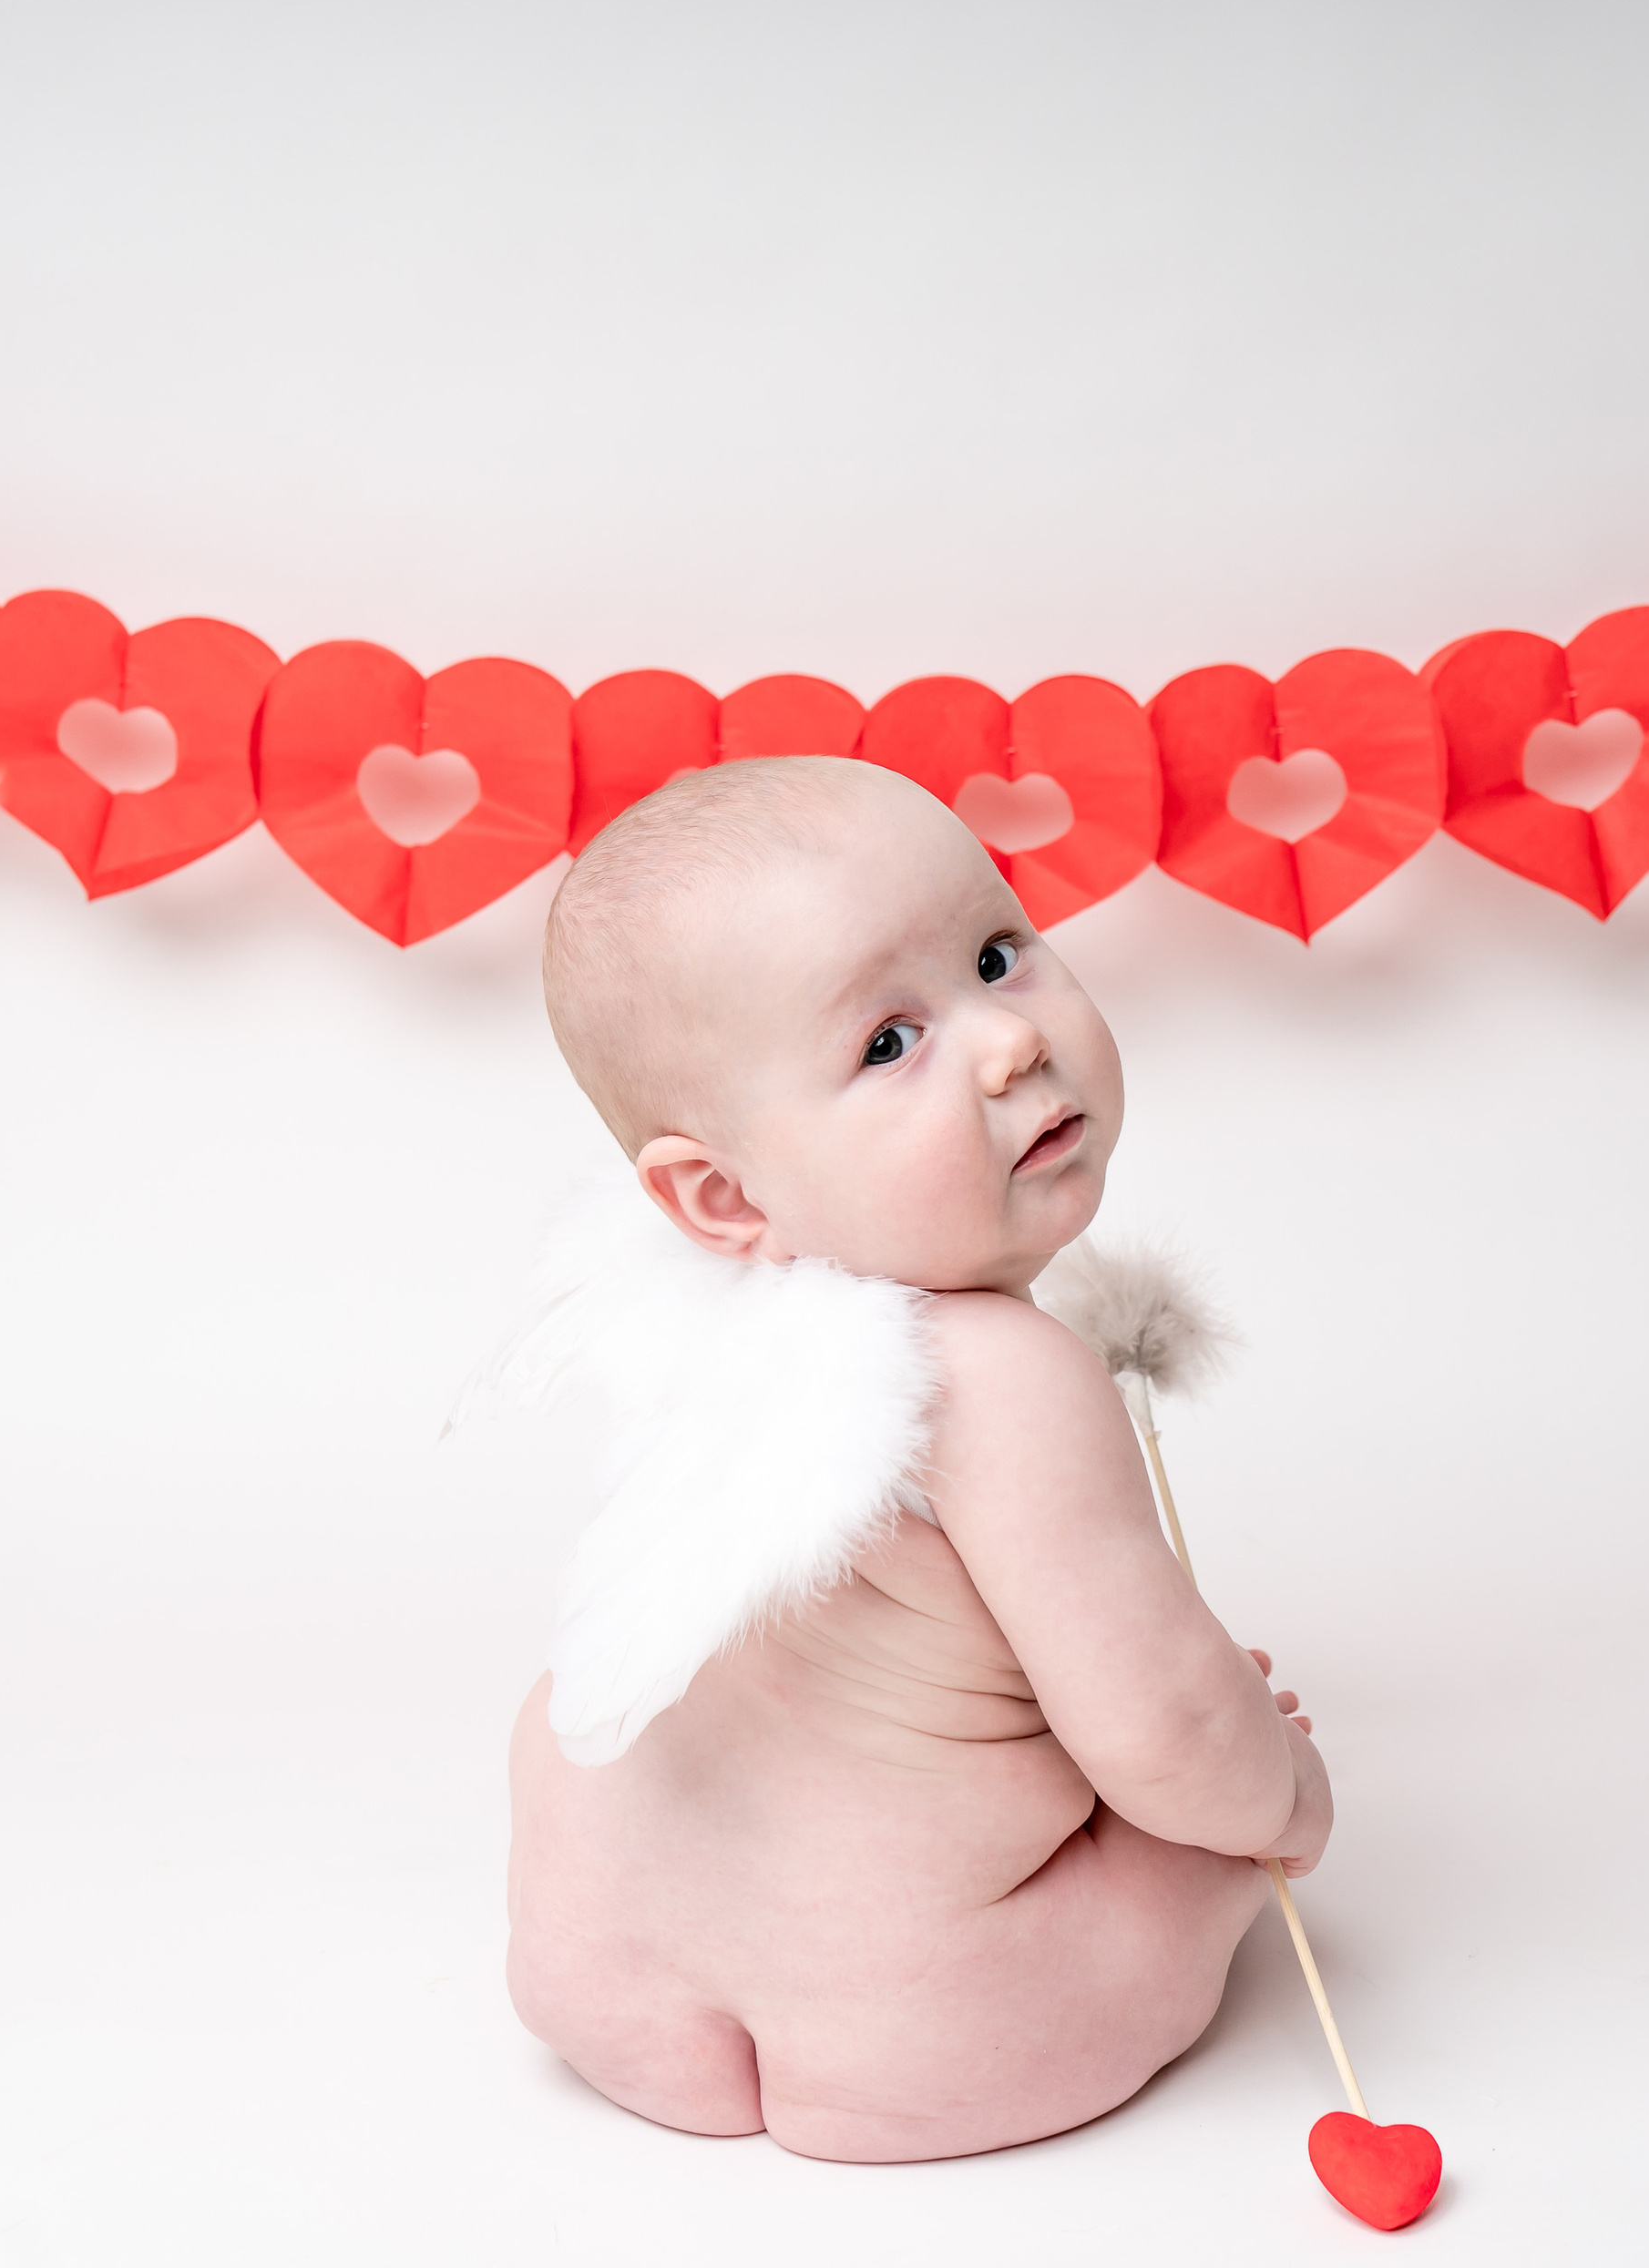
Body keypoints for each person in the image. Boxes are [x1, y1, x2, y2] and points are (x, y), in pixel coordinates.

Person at [507, 754, 1329, 2163]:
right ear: (722, 1193)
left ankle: (666, 1969)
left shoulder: (705, 1323)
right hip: (915, 2020)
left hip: (598, 1973)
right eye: (889, 1043)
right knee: (1199, 1856)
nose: (1008, 1042)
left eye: (998, 955)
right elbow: (1169, 1732)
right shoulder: (1002, 1379)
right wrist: (1284, 1797)